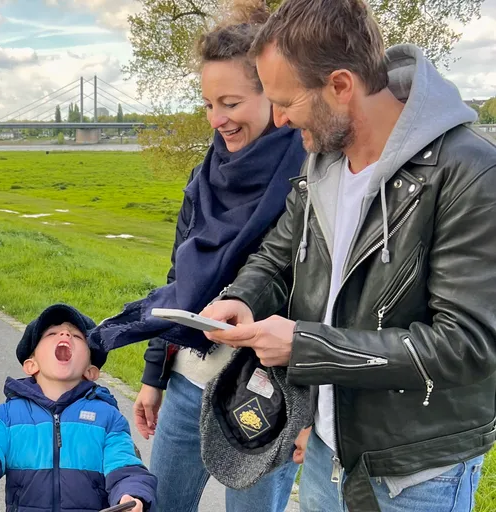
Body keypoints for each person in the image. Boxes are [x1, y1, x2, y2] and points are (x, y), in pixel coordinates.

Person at [201, 0, 496, 511]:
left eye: (287, 101)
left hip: (413, 475)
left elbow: (467, 344)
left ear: (340, 85)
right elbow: (277, 255)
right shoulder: (322, 160)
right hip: (324, 453)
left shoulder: (470, 174)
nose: (279, 119)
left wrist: (306, 347)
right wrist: (243, 299)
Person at [88, 2, 307, 510]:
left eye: (230, 102)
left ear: (272, 97)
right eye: (208, 104)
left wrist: (311, 408)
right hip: (189, 380)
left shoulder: (310, 173)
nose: (217, 120)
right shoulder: (205, 175)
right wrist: (152, 377)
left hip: (265, 394)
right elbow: (178, 281)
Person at [0, 304, 157, 512]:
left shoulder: (107, 418)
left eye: (77, 336)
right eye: (51, 334)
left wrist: (132, 495)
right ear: (31, 364)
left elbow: (125, 468)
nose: (65, 335)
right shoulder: (8, 418)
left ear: (91, 371)